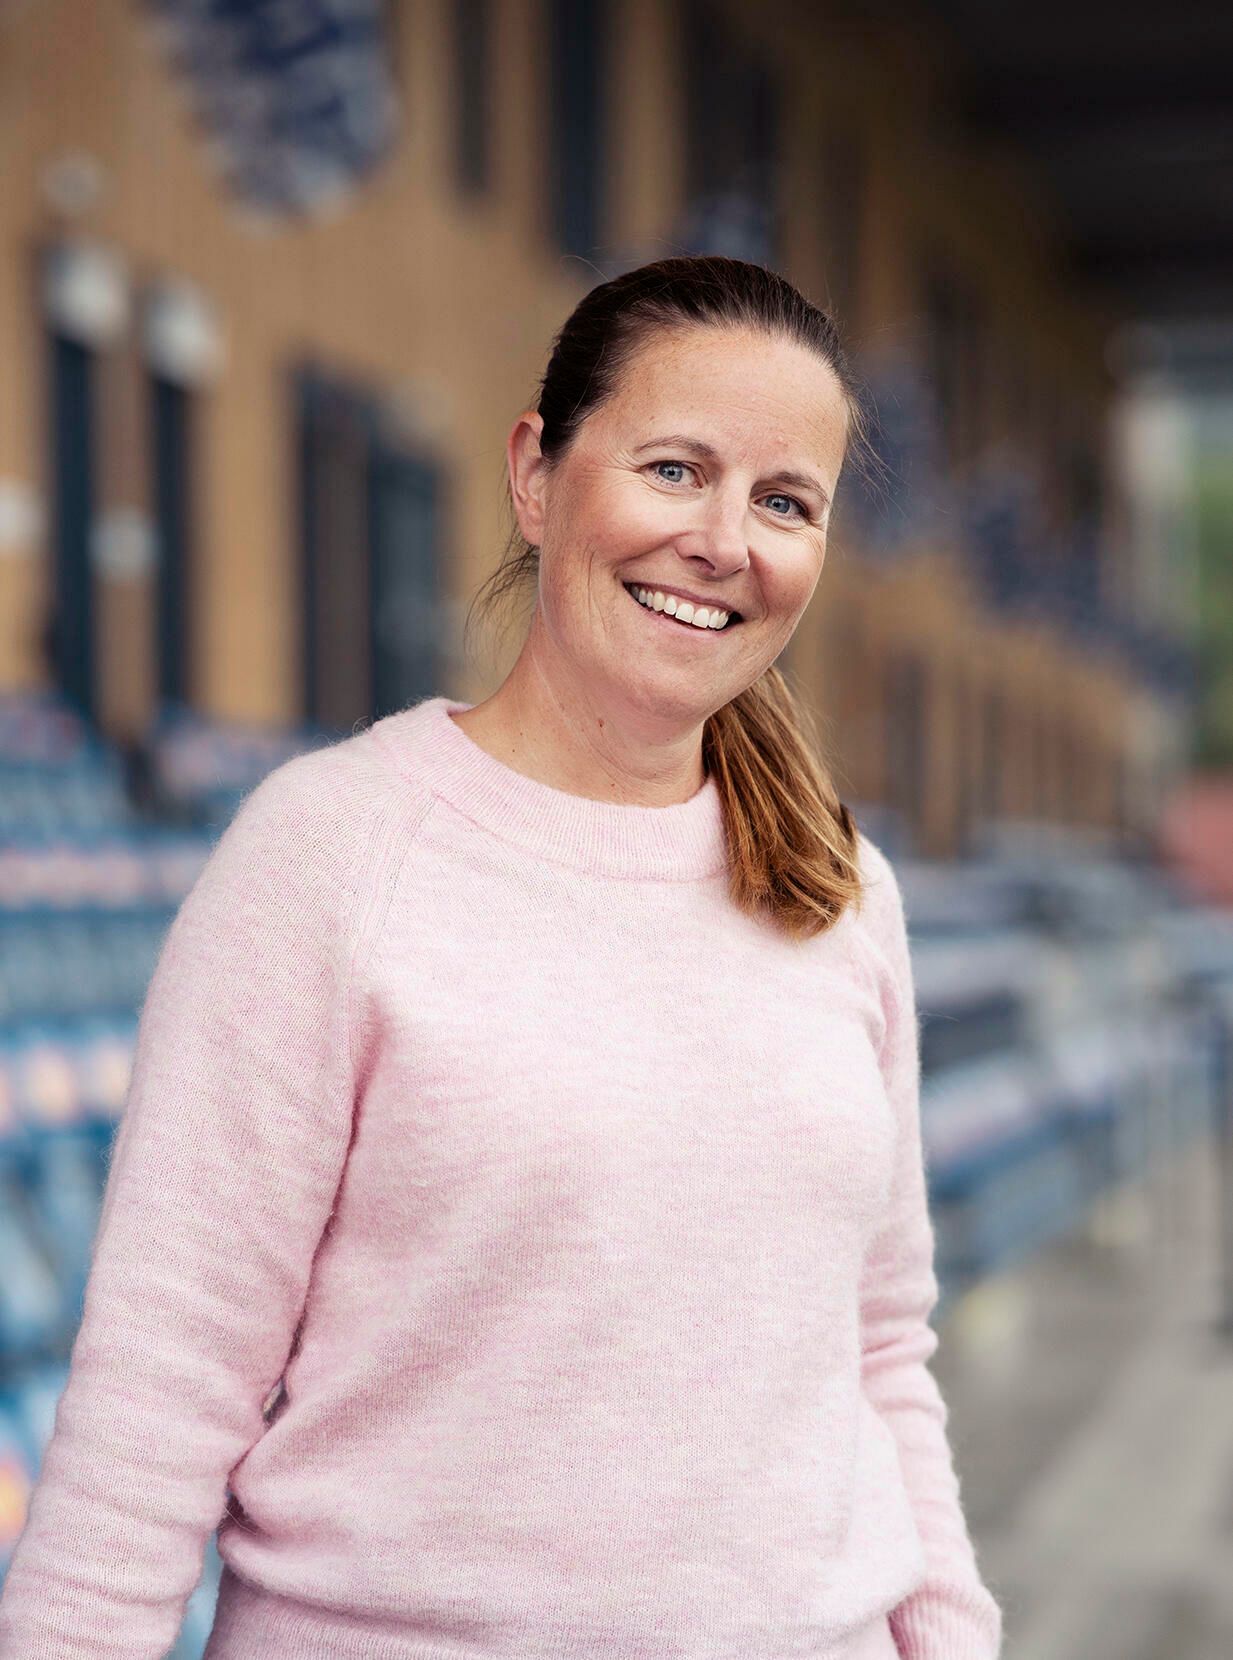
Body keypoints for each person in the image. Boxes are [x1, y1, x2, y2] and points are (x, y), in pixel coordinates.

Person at [0, 255, 1004, 1659]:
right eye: (673, 468)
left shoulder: (841, 887)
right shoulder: (330, 853)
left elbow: (881, 1347)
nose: (724, 540)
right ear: (537, 474)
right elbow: (163, 1391)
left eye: (785, 502)